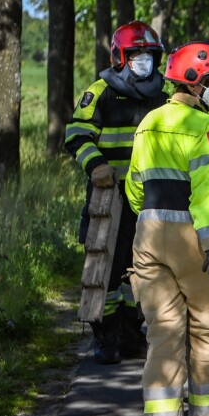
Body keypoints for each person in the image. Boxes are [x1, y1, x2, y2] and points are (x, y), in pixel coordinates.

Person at [126, 42, 209, 416]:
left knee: (162, 336)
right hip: (195, 240)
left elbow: (135, 187)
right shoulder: (205, 130)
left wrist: (150, 220)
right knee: (206, 330)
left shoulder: (149, 122)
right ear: (197, 81)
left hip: (150, 235)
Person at [65, 20, 167, 364]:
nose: (144, 61)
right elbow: (76, 134)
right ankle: (104, 334)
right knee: (106, 269)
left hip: (149, 197)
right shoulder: (101, 91)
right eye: (137, 54)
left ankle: (129, 330)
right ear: (121, 57)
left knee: (137, 268)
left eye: (149, 55)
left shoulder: (164, 93)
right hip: (111, 195)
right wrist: (96, 166)